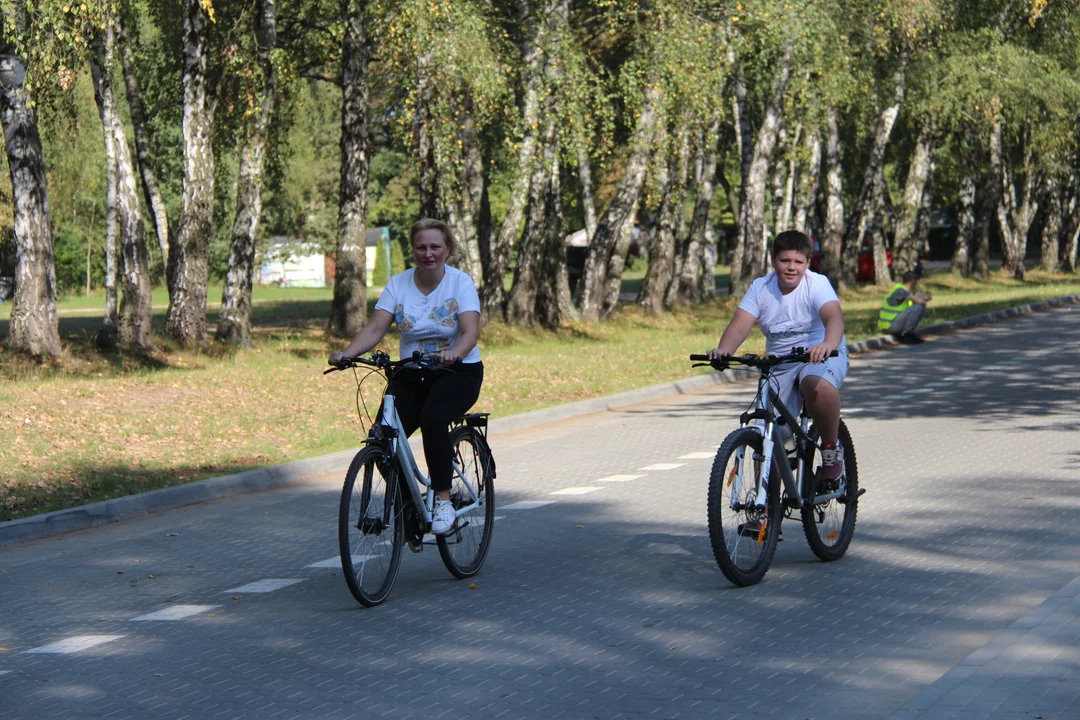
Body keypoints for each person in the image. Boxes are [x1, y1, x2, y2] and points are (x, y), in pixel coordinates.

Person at [329, 218, 483, 536]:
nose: (428, 253)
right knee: (382, 436)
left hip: (456, 372)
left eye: (435, 247)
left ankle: (442, 500)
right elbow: (374, 328)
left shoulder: (460, 283)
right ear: (413, 250)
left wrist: (455, 352)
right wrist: (347, 353)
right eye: (421, 247)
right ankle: (407, 505)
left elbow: (470, 332)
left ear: (448, 250)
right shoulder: (398, 284)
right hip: (412, 373)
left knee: (433, 418)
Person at [707, 230, 849, 504]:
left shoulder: (817, 284)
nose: (791, 267)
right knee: (768, 434)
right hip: (780, 363)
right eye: (785, 260)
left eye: (798, 261)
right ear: (773, 261)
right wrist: (724, 351)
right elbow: (739, 326)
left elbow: (834, 319)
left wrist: (827, 345)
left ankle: (831, 448)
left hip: (820, 354)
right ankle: (764, 511)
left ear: (808, 263)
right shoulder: (762, 288)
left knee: (814, 385)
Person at [878, 270, 931, 345]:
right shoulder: (900, 290)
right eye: (916, 282)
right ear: (913, 281)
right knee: (918, 307)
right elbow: (920, 301)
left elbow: (920, 297)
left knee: (919, 307)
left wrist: (925, 296)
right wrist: (922, 299)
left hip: (894, 323)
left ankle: (909, 333)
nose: (916, 284)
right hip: (890, 326)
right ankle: (906, 334)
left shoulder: (908, 291)